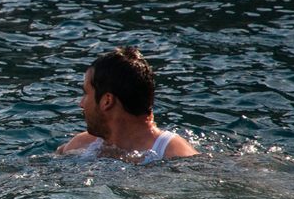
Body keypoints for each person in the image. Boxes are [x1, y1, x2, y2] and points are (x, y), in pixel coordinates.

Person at [57, 46, 198, 163]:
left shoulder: (176, 155)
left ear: (107, 101)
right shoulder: (82, 145)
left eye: (86, 93)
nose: (81, 104)